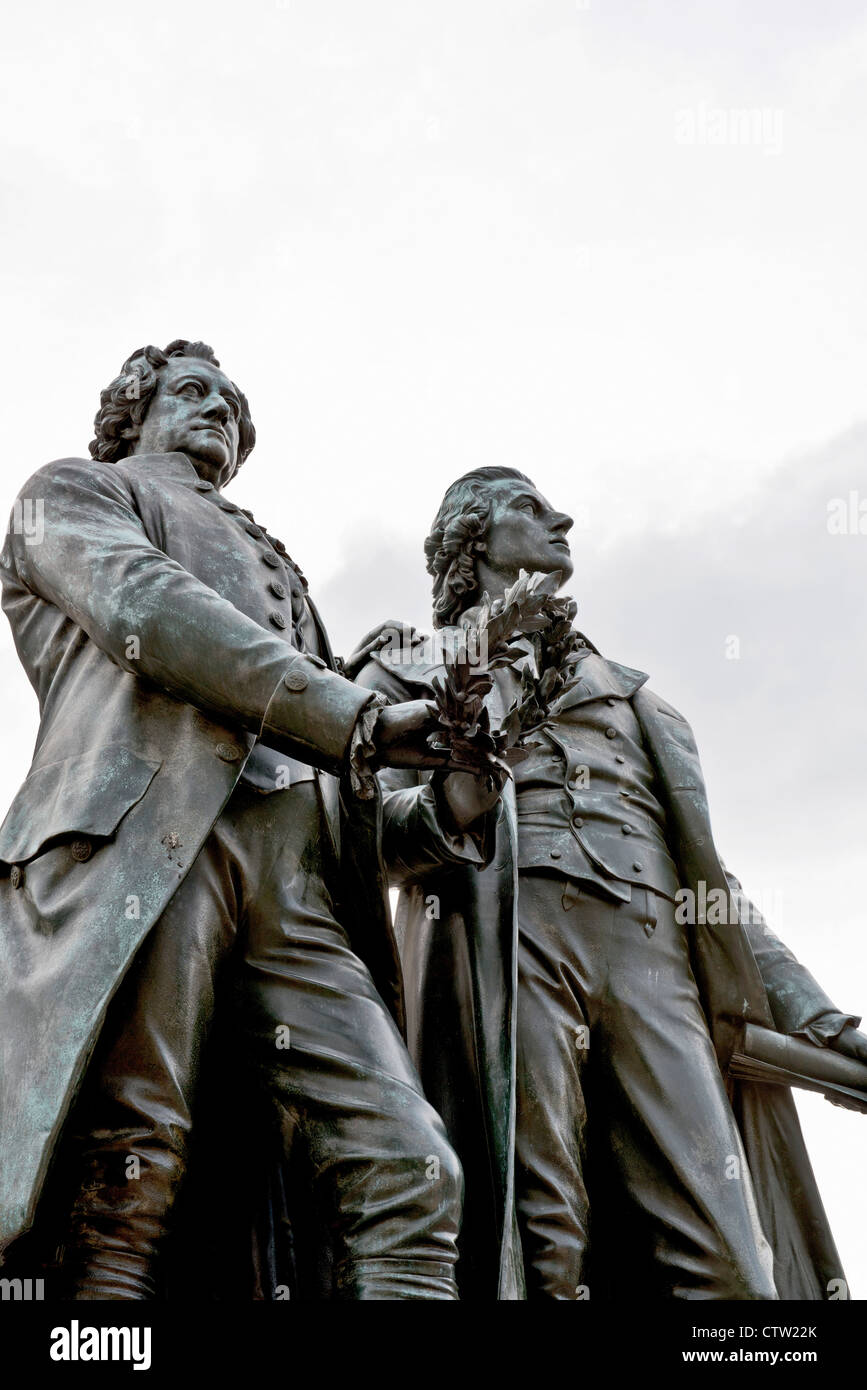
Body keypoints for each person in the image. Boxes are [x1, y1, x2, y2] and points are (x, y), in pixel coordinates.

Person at [0, 342, 497, 1300]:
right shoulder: (70, 495)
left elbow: (336, 792)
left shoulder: (282, 566)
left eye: (235, 403)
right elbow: (154, 611)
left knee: (412, 1172)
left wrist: (451, 800)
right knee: (126, 1176)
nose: (220, 410)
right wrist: (355, 715)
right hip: (139, 853)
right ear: (130, 413)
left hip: (300, 892)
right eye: (193, 392)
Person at [357, 464, 867, 1300]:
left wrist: (813, 1013)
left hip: (653, 956)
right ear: (471, 538)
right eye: (530, 507)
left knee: (731, 1263)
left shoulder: (637, 702)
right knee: (541, 1239)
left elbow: (712, 883)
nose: (562, 520)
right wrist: (451, 807)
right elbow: (352, 834)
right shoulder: (406, 666)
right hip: (506, 940)